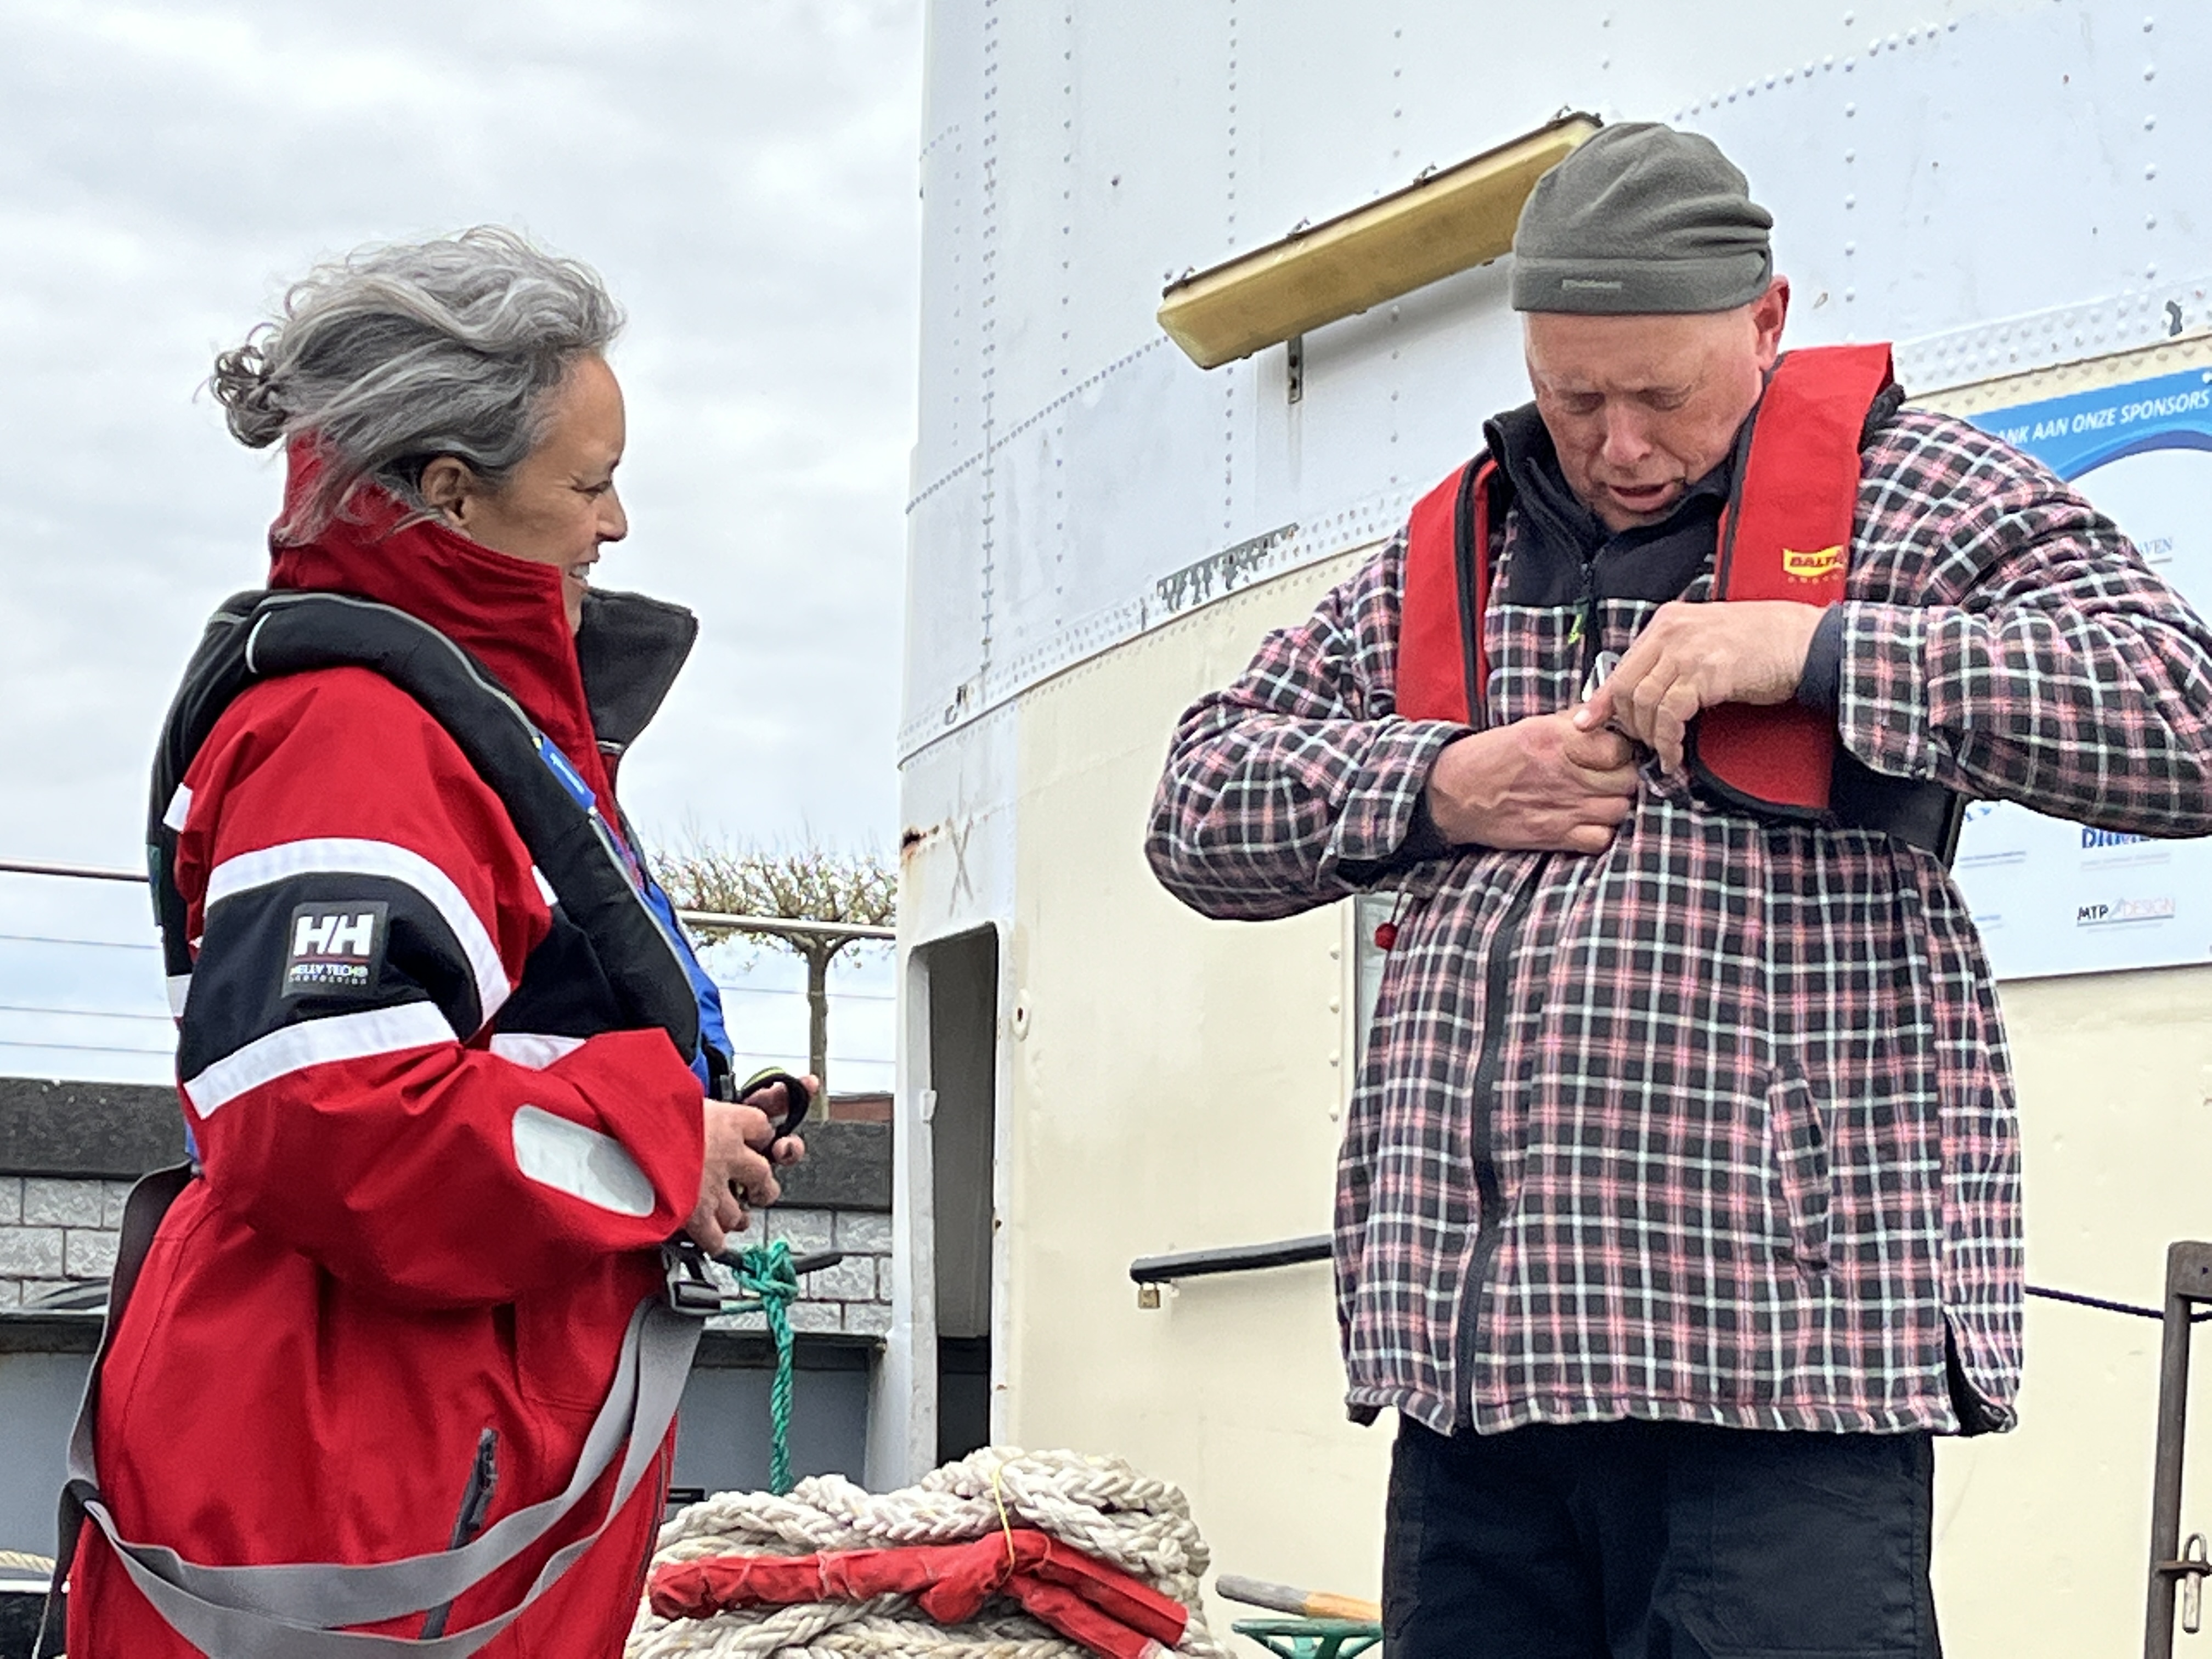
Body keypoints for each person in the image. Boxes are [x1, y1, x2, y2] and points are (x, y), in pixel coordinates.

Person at [1147, 123, 2212, 1656]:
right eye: (1576, 396)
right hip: (1477, 1405)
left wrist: (1822, 652)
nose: (1621, 441)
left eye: (1663, 393)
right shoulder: (1452, 550)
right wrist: (1440, 783)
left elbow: (2184, 709)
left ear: (1767, 322)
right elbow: (1195, 800)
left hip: (1777, 1397)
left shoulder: (1917, 499)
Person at [63, 228, 807, 1658]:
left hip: (421, 1471)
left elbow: (452, 1056)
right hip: (357, 1478)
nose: (619, 524)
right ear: (454, 492)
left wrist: (692, 1129)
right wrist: (665, 1148)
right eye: (589, 483)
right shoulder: (356, 738)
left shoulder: (434, 726)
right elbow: (325, 1115)